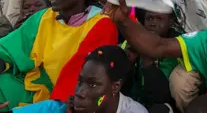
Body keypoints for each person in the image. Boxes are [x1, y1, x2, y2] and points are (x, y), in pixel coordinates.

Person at [0, 0, 118, 110]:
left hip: (65, 98)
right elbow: (10, 49)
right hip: (28, 86)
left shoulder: (101, 24)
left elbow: (78, 79)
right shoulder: (44, 16)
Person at [7, 45, 148, 113]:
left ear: (115, 86)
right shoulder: (57, 109)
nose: (80, 92)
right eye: (80, 82)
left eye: (92, 85)